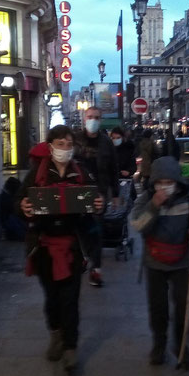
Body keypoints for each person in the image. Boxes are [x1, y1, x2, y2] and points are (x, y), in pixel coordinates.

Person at [18, 125, 104, 373]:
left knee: (70, 300)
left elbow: (96, 203)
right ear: (50, 146)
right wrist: (23, 207)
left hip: (73, 247)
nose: (65, 149)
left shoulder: (81, 173)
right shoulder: (37, 174)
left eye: (69, 144)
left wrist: (99, 205)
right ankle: (55, 332)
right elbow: (17, 202)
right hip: (44, 248)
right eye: (60, 144)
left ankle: (70, 348)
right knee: (52, 299)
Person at [131, 156, 189, 369]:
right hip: (154, 260)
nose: (164, 187)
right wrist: (154, 206)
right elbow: (138, 224)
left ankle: (182, 345)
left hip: (182, 260)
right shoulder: (147, 197)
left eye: (169, 182)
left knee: (183, 305)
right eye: (160, 182)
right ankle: (159, 344)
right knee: (158, 306)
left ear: (176, 181)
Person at [73, 106, 119, 287]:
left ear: (100, 120)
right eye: (90, 117)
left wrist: (115, 194)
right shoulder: (76, 140)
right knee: (79, 229)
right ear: (84, 119)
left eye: (96, 117)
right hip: (77, 192)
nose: (93, 120)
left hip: (98, 193)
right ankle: (85, 255)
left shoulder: (106, 143)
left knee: (96, 230)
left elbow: (113, 169)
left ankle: (96, 269)